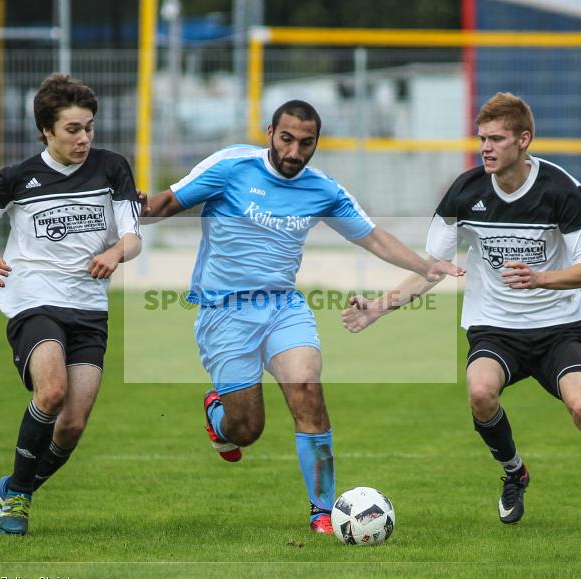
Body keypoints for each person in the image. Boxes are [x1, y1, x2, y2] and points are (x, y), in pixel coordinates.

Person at [341, 92, 581, 532]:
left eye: (496, 138)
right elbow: (430, 268)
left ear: (523, 140)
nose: (486, 148)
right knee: (479, 393)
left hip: (556, 327)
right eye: (481, 139)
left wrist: (541, 278)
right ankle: (515, 472)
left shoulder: (563, 191)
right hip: (495, 328)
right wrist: (377, 308)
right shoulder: (465, 191)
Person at [142, 99, 457, 534]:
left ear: (316, 143)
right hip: (225, 312)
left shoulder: (322, 189)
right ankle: (219, 418)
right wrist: (126, 206)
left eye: (305, 144)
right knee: (247, 428)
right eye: (286, 139)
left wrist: (425, 267)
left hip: (283, 307)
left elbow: (373, 237)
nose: (294, 152)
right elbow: (163, 205)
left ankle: (323, 513)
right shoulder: (232, 166)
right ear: (270, 131)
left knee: (307, 390)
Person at [0, 74, 142, 535]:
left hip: (89, 309)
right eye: (72, 130)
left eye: (89, 128)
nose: (84, 139)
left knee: (73, 425)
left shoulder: (112, 168)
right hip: (33, 299)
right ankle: (17, 501)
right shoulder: (16, 178)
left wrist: (115, 252)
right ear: (46, 130)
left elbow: (133, 238)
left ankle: (17, 487)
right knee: (52, 391)